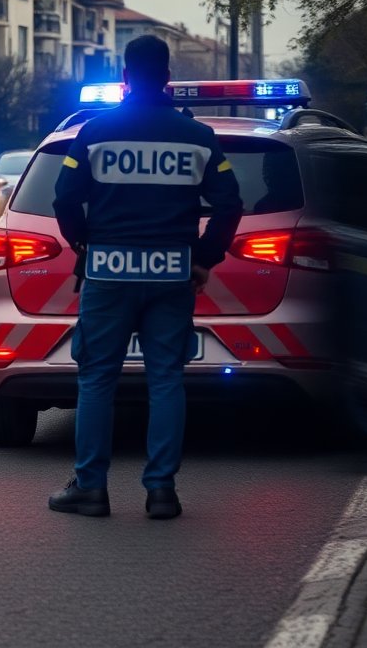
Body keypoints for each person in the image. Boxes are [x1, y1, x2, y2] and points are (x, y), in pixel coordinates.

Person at [48, 36, 242, 519]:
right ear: (168, 77)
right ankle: (161, 492)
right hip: (172, 271)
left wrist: (84, 245)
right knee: (165, 380)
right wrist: (203, 259)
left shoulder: (95, 132)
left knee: (96, 379)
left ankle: (90, 488)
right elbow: (229, 204)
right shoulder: (197, 137)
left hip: (108, 271)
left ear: (126, 77)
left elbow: (64, 199)